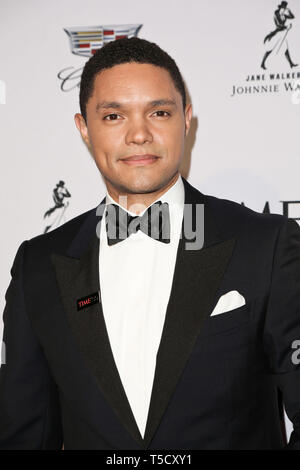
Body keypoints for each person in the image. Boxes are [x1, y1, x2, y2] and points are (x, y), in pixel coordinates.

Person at [0, 37, 300, 450]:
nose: (139, 134)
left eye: (159, 112)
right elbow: (23, 433)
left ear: (186, 119)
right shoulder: (39, 265)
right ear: (83, 128)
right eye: (113, 116)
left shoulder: (266, 245)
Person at [261, 1, 298, 70]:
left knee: (286, 49)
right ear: (280, 8)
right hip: (277, 33)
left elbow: (292, 17)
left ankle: (291, 64)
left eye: (285, 9)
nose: (284, 10)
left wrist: (289, 11)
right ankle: (262, 63)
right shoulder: (276, 14)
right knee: (270, 49)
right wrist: (286, 27)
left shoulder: (284, 15)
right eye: (283, 9)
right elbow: (278, 25)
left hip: (282, 34)